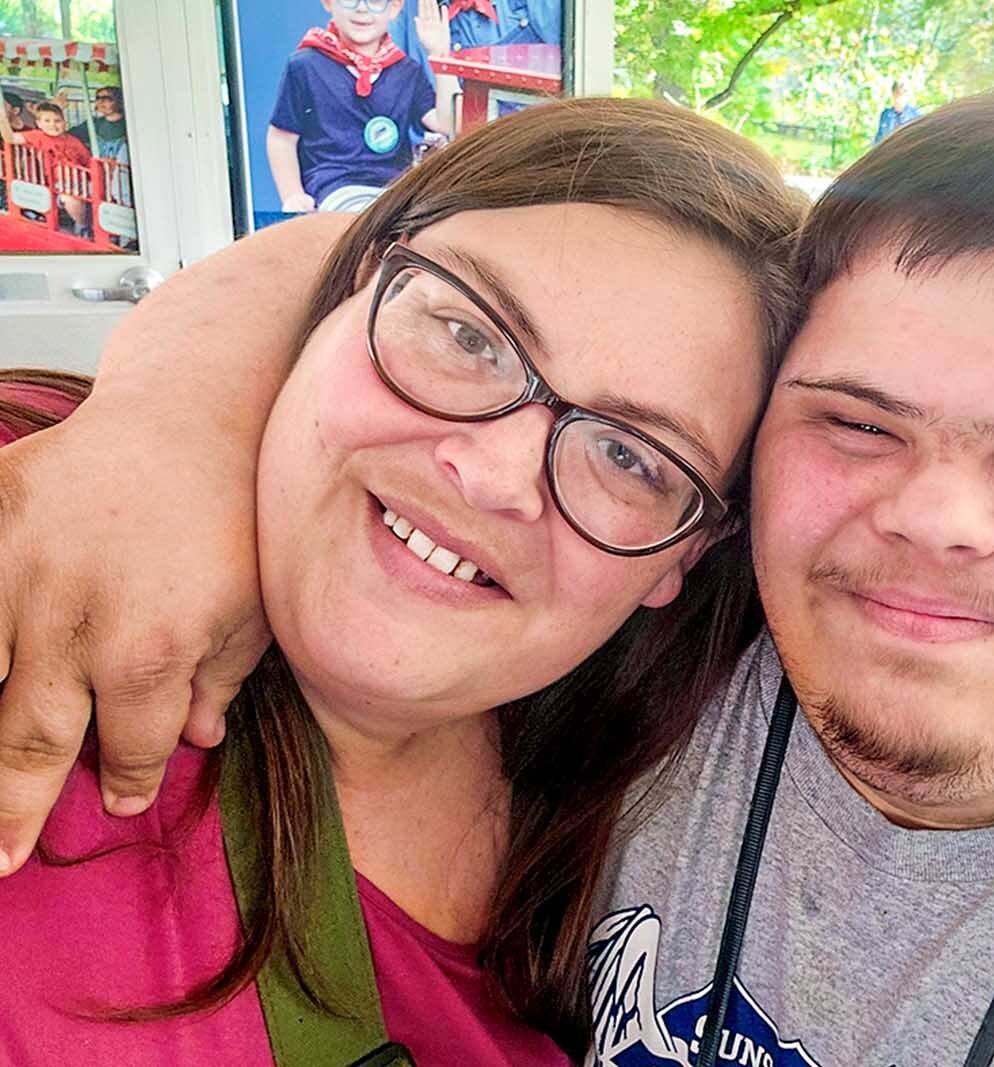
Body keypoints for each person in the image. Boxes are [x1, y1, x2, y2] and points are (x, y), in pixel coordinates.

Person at [0, 88, 994, 1063]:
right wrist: (172, 413)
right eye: (855, 421)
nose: (935, 519)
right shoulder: (667, 660)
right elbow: (419, 264)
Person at [0, 96, 803, 1065]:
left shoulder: (647, 839)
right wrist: (175, 419)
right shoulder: (50, 516)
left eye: (630, 456)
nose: (497, 474)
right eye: (468, 335)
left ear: (681, 557)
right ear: (360, 285)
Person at [268, 0, 457, 214]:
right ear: (329, 3)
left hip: (395, 190)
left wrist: (441, 56)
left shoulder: (407, 71)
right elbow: (281, 138)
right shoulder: (305, 66)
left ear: (394, 8)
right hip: (334, 189)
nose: (362, 8)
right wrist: (293, 195)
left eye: (375, 1)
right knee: (369, 225)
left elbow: (446, 123)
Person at [0, 101, 92, 236]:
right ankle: (82, 226)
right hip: (58, 184)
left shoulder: (74, 141)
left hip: (80, 180)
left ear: (65, 122)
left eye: (57, 121)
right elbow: (10, 138)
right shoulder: (37, 136)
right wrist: (2, 120)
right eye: (47, 121)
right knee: (71, 199)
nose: (53, 125)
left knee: (101, 193)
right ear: (39, 124)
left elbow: (87, 161)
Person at [68, 84, 128, 158]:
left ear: (118, 101)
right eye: (98, 98)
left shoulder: (128, 123)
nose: (100, 101)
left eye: (106, 98)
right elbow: (68, 136)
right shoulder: (93, 123)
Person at [872, 78, 920, 143]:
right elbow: (879, 139)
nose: (898, 97)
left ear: (907, 95)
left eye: (902, 93)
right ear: (893, 94)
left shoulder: (916, 115)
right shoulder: (885, 115)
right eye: (896, 93)